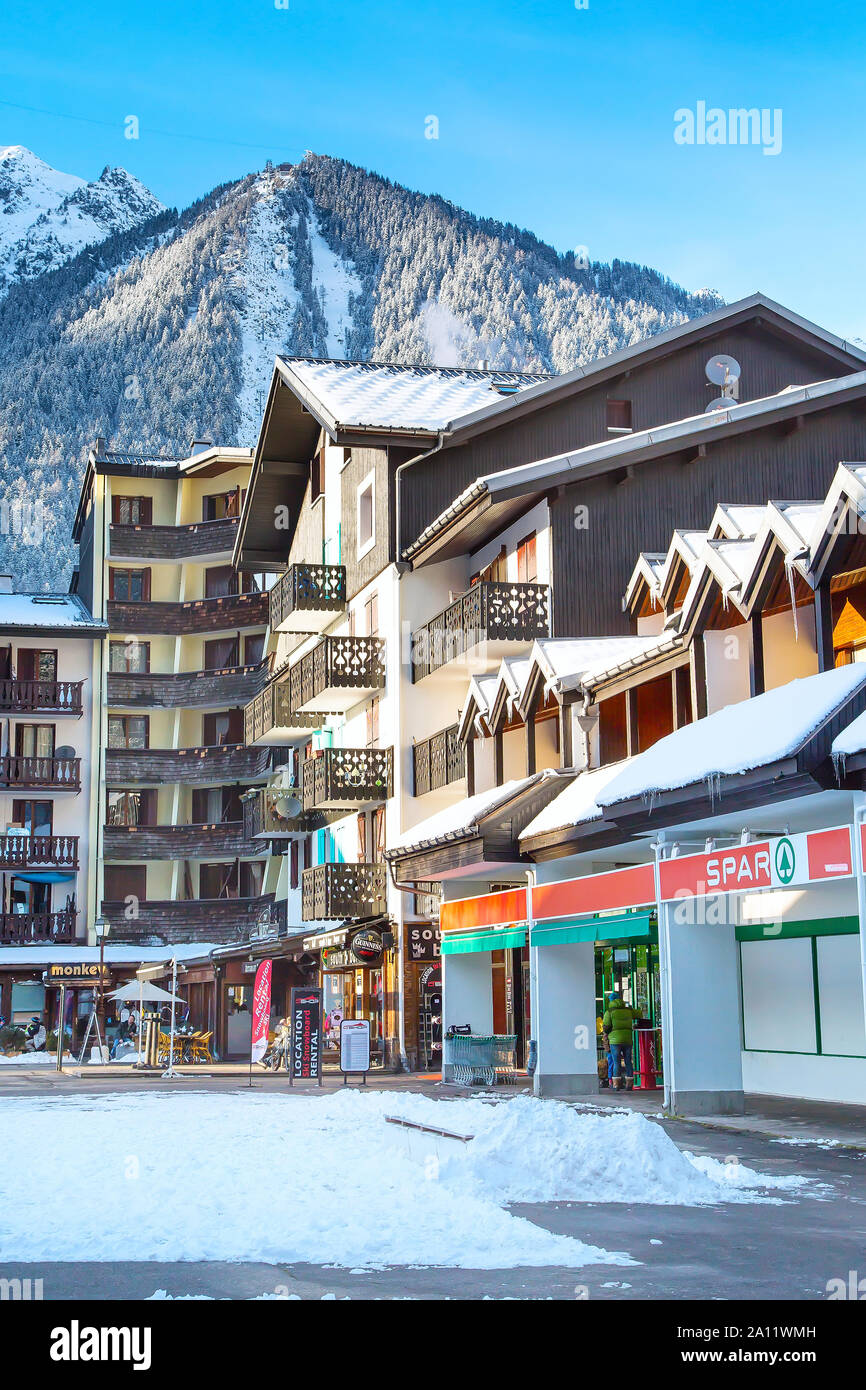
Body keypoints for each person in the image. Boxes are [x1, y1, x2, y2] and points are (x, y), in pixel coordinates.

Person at [602, 991, 639, 1091]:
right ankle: (629, 1085)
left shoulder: (609, 1012)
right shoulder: (628, 1010)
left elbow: (605, 1027)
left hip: (615, 1040)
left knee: (616, 1062)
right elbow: (639, 1014)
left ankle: (616, 1085)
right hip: (627, 1039)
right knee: (628, 1061)